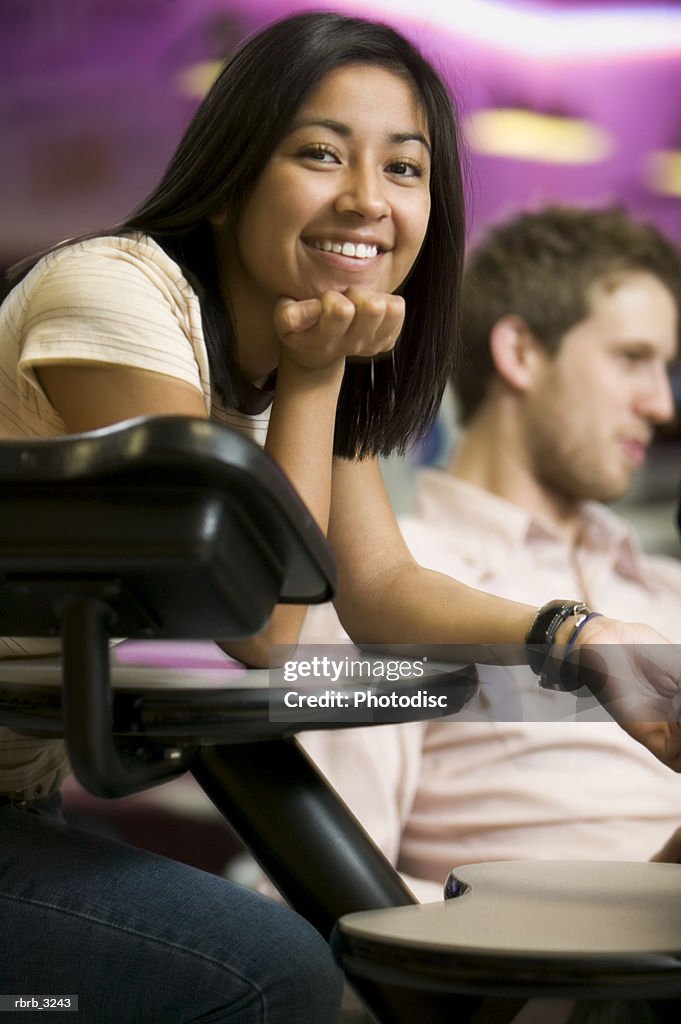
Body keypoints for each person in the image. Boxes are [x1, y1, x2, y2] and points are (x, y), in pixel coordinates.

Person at [0, 5, 679, 1018]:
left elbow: (377, 590)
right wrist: (319, 375)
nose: (367, 200)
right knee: (271, 974)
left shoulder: (292, 349)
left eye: (405, 168)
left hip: (24, 795)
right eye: (322, 153)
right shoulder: (112, 292)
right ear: (232, 180)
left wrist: (581, 635)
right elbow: (259, 629)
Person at [301, 205, 681, 904]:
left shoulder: (669, 588)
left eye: (666, 368)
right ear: (521, 353)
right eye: (632, 359)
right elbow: (317, 893)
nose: (660, 403)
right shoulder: (381, 586)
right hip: (559, 988)